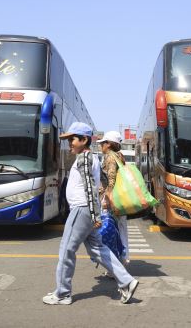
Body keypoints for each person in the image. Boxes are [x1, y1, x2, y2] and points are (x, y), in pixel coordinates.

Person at [42, 122, 138, 305]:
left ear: (84, 140)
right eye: (68, 139)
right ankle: (127, 281)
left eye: (73, 139)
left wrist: (95, 216)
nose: (69, 143)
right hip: (86, 210)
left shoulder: (84, 158)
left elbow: (89, 188)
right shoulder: (89, 157)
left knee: (66, 250)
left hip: (81, 209)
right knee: (98, 249)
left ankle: (62, 293)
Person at [97, 131, 130, 267]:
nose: (101, 146)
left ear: (108, 144)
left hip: (112, 200)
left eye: (103, 143)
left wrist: (106, 199)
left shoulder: (110, 157)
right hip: (120, 199)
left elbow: (111, 179)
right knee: (121, 230)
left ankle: (114, 265)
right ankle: (124, 258)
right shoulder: (119, 156)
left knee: (110, 231)